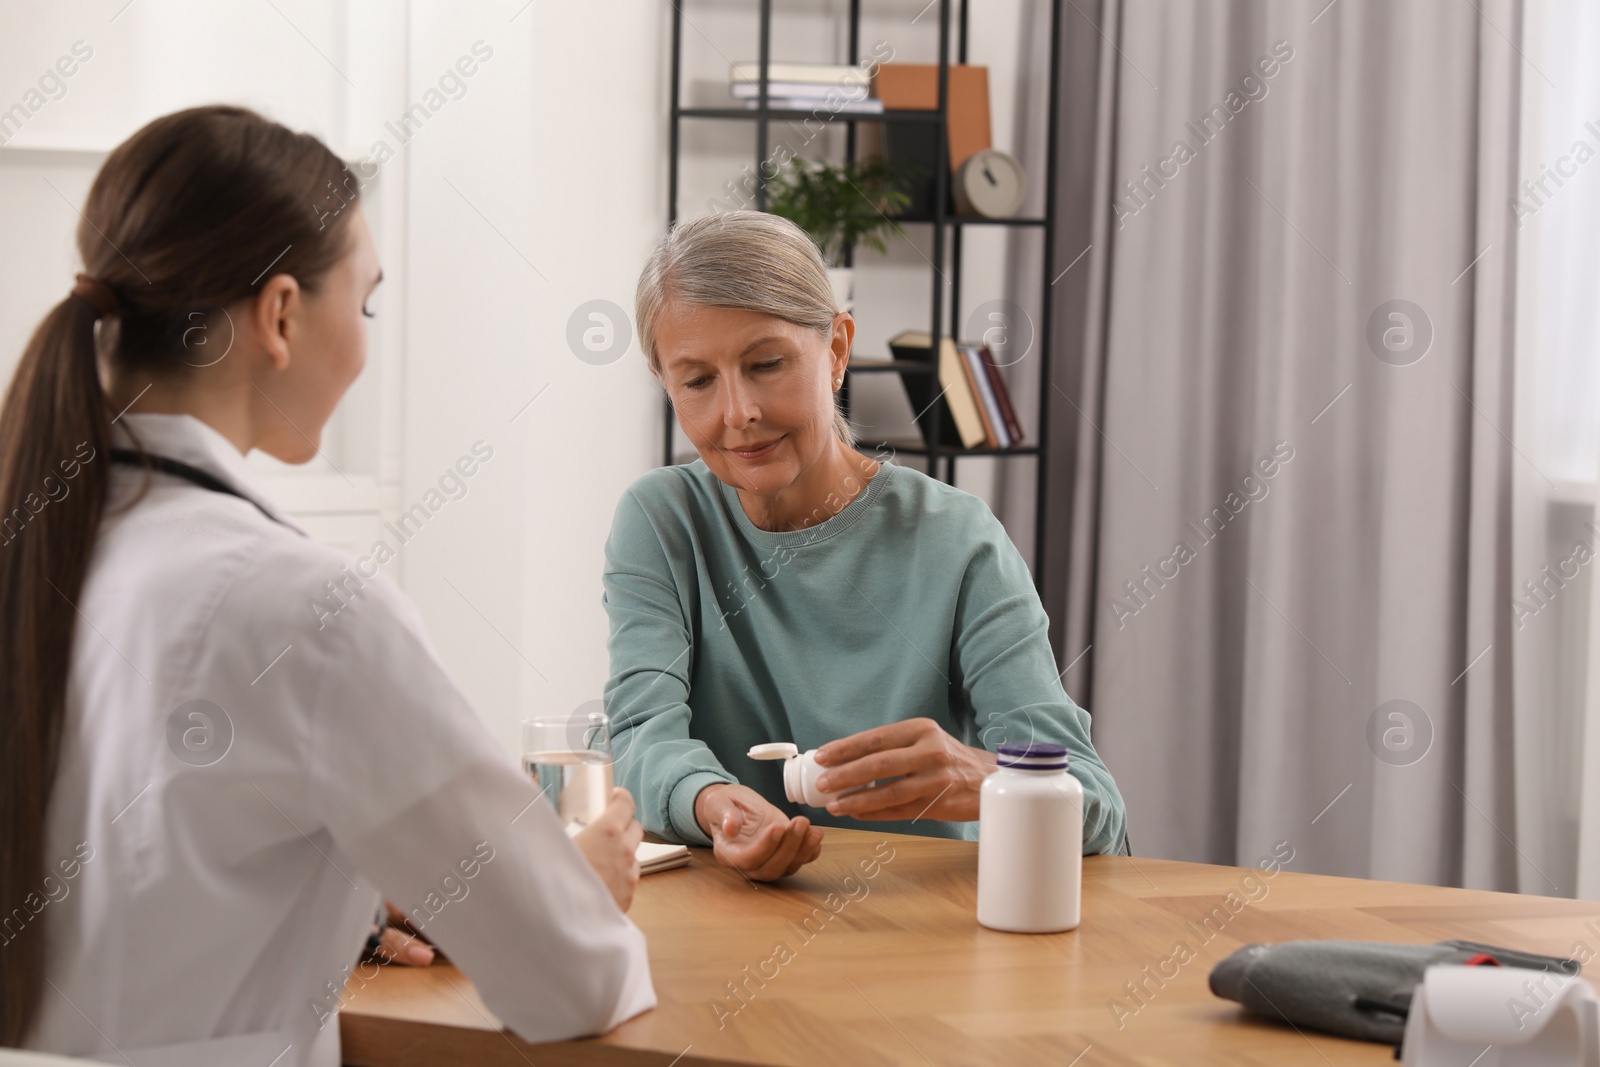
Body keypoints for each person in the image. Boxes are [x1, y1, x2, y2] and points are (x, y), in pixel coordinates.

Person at [0, 106, 653, 1065]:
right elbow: (573, 982)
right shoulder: (305, 607)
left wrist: (337, 889)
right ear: (279, 316)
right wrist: (576, 890)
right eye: (368, 300)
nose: (366, 335)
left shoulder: (47, 539)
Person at [604, 210, 1128, 882]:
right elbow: (641, 739)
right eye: (697, 380)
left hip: (926, 934)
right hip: (727, 924)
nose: (737, 413)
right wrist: (713, 804)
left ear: (838, 350)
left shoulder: (956, 539)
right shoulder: (661, 521)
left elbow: (1097, 805)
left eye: (766, 363)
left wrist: (985, 772)